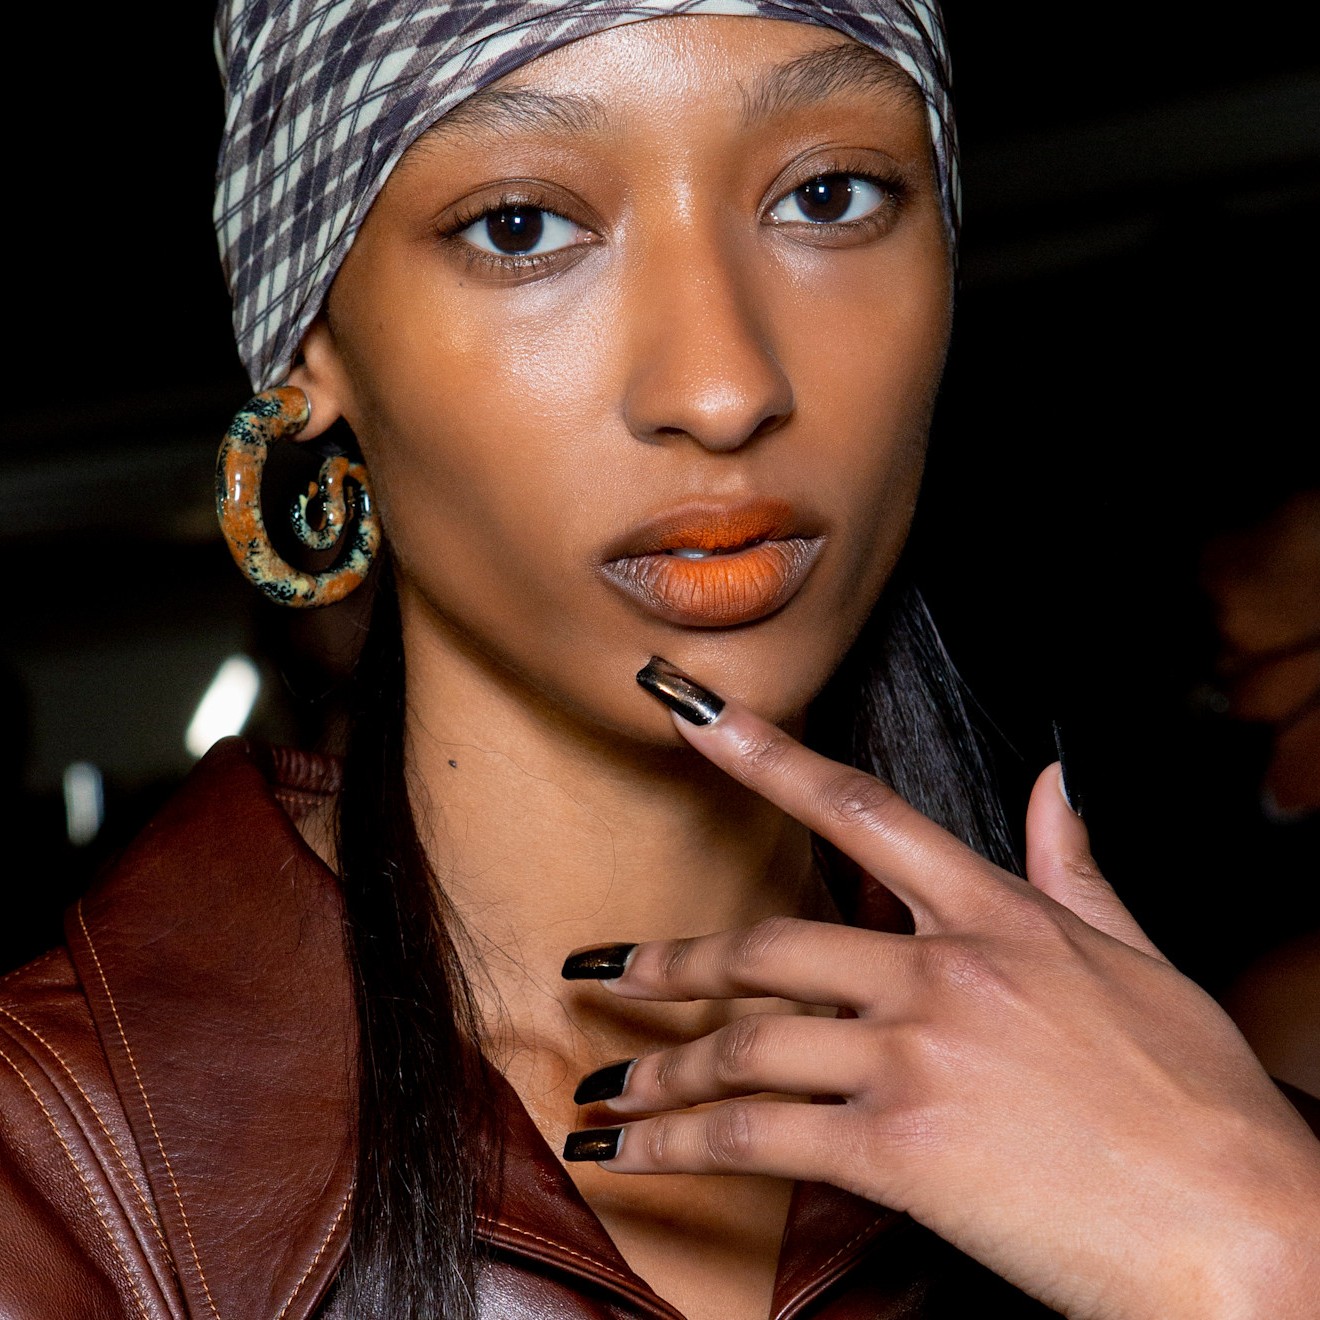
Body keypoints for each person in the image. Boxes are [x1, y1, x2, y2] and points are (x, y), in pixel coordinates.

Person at [2, 3, 1317, 1318]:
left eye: (830, 195)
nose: (724, 384)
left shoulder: (1225, 1157)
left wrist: (1264, 1260)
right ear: (310, 347)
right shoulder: (58, 1182)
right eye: (521, 224)